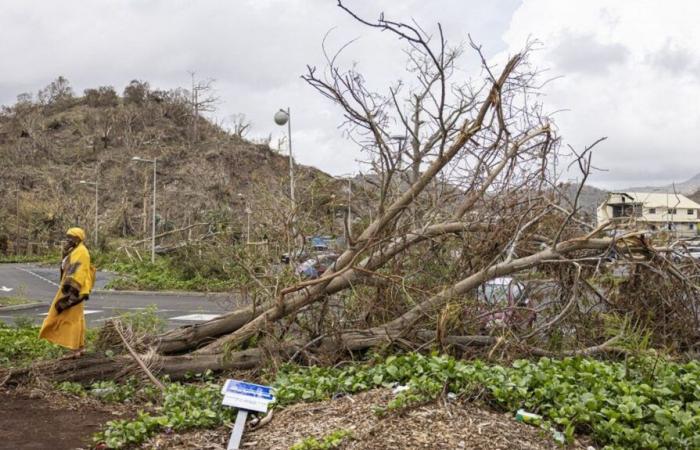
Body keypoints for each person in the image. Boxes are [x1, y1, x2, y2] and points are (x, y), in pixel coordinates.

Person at [39, 227, 95, 357]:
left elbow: (78, 272)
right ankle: (79, 347)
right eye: (67, 237)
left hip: (73, 290)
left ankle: (74, 349)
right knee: (75, 317)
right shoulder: (76, 251)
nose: (67, 240)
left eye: (71, 237)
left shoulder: (81, 252)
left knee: (70, 318)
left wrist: (70, 292)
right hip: (74, 289)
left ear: (78, 239)